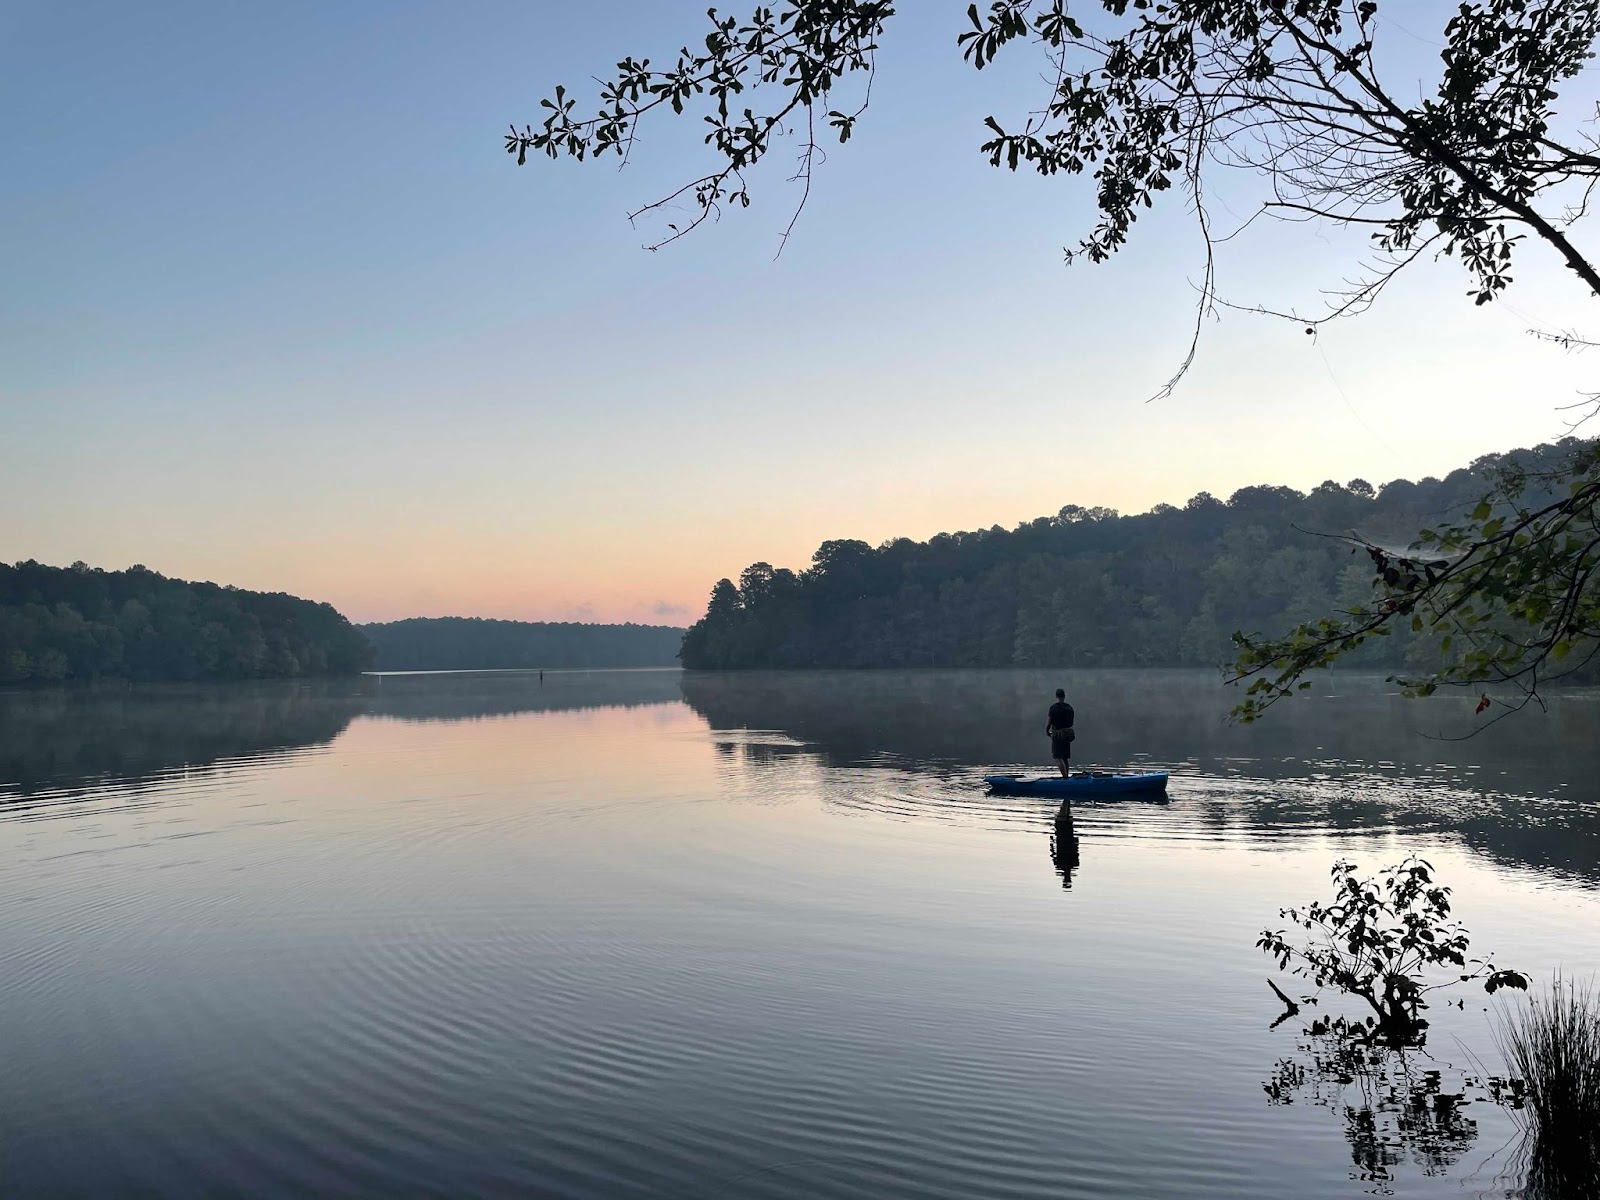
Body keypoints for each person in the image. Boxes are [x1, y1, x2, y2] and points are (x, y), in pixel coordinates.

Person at [1045, 687, 1075, 778]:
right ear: (1064, 696)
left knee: (1058, 757)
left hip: (1057, 734)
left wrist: (1047, 731)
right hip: (1067, 734)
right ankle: (1067, 776)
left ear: (1056, 696)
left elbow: (1049, 721)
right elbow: (1071, 722)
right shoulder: (1069, 708)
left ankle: (1065, 778)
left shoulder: (1053, 708)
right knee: (1065, 757)